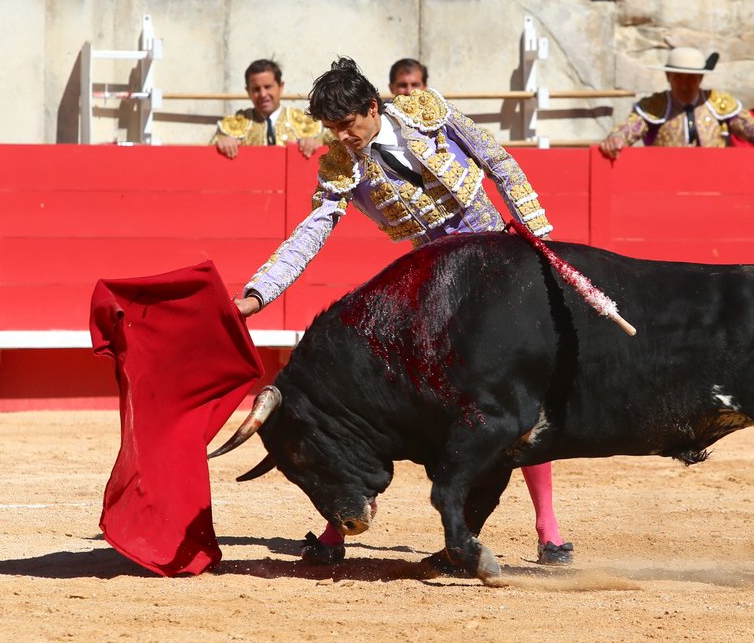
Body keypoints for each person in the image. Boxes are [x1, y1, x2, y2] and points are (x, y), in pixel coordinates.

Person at [234, 57, 574, 567]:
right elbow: (311, 232)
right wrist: (258, 294)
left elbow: (498, 162)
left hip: (495, 272)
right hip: (432, 283)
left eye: (348, 125)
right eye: (333, 129)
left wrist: (540, 239)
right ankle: (337, 528)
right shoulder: (341, 166)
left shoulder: (428, 112)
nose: (343, 138)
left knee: (518, 398)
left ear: (373, 107)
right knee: (374, 401)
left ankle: (548, 528)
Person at [599, 47, 754, 159]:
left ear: (701, 79)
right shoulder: (654, 106)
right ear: (668, 77)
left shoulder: (717, 103)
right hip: (665, 184)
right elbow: (631, 128)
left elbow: (753, 128)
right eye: (679, 77)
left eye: (691, 78)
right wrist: (616, 139)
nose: (685, 83)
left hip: (714, 185)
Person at [211, 59, 330, 160]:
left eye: (268, 87)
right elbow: (207, 161)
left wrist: (316, 144)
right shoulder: (231, 127)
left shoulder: (308, 124)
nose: (263, 94)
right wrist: (222, 144)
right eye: (256, 89)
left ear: (281, 86)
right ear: (248, 91)